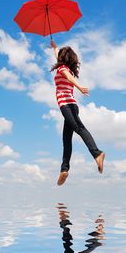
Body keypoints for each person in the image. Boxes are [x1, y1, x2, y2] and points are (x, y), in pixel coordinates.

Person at [51, 40, 105, 186]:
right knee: (66, 140)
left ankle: (97, 153)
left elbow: (68, 78)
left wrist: (80, 87)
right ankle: (64, 170)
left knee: (79, 128)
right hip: (71, 106)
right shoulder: (65, 67)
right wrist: (55, 48)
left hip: (67, 106)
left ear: (63, 59)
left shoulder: (63, 69)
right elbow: (60, 60)